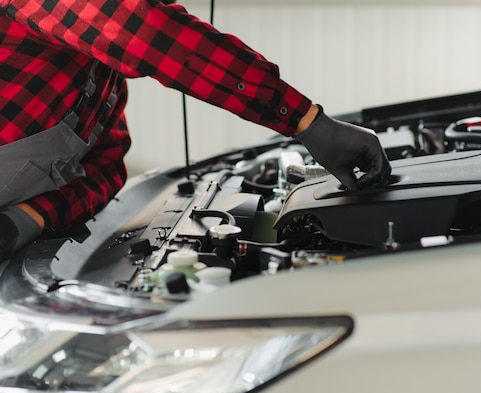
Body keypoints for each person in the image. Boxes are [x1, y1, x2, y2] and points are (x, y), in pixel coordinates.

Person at [0, 0, 391, 262]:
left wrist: (25, 219)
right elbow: (148, 34)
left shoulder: (101, 86)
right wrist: (307, 122)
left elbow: (106, 167)